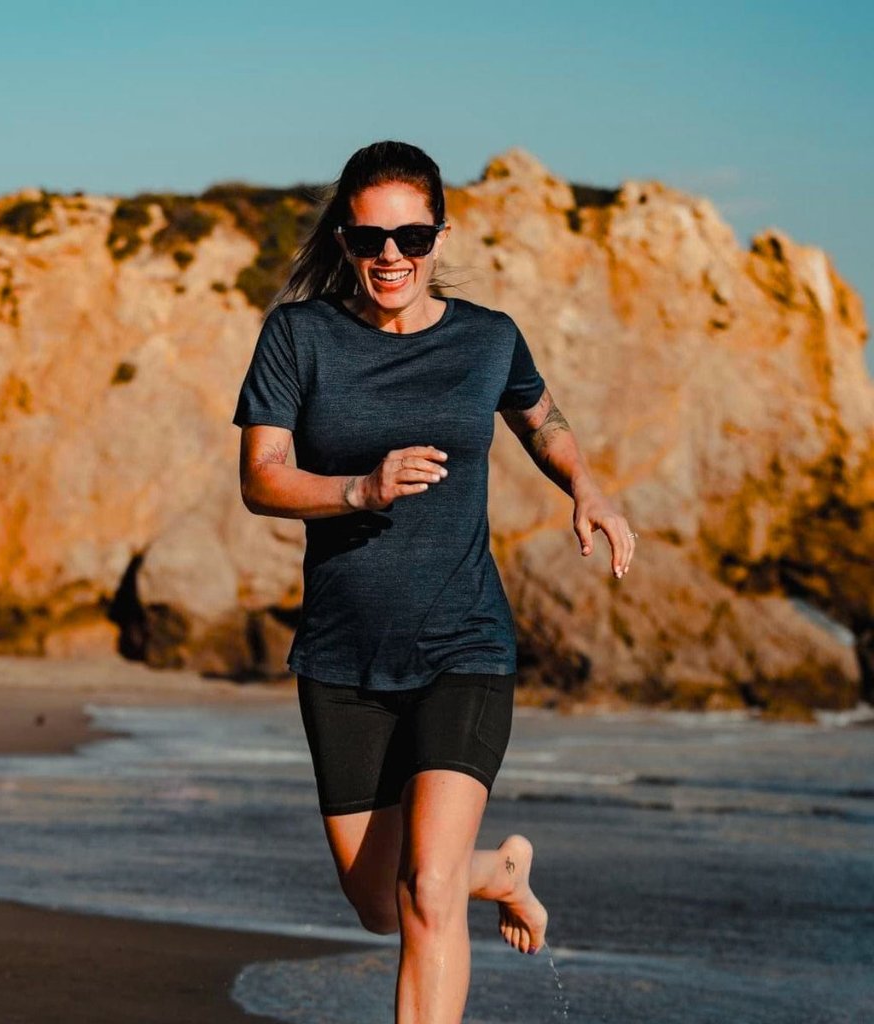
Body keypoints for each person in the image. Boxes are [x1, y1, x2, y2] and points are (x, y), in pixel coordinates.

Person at [232, 140, 637, 1024]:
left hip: (464, 644)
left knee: (426, 892)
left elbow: (542, 419)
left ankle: (461, 878)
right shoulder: (299, 336)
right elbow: (261, 476)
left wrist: (588, 487)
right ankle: (502, 874)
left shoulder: (488, 339)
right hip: (342, 658)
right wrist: (358, 489)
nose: (392, 257)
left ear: (439, 237)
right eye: (372, 237)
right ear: (345, 238)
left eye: (412, 238)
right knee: (384, 903)